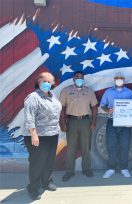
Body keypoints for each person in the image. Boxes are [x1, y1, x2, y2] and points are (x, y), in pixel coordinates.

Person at [23, 72, 62, 200]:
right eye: (44, 81)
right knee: (37, 162)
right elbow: (29, 117)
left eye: (50, 82)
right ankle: (33, 188)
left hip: (52, 134)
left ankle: (46, 182)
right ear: (38, 82)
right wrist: (34, 134)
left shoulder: (53, 96)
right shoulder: (33, 97)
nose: (47, 84)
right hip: (37, 136)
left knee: (49, 161)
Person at [60, 71, 98, 182]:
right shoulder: (66, 91)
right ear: (73, 79)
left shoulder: (89, 91)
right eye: (77, 77)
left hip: (85, 121)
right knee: (71, 148)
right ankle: (69, 171)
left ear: (84, 79)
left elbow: (94, 107)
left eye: (81, 77)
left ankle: (86, 169)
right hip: (71, 121)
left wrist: (93, 122)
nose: (79, 79)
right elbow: (61, 108)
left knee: (85, 147)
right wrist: (62, 122)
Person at [100, 72, 132, 178]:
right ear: (114, 80)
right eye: (117, 78)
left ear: (124, 79)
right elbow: (103, 105)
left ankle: (124, 167)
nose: (119, 80)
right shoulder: (108, 92)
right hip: (112, 121)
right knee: (111, 145)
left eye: (121, 78)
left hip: (125, 123)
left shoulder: (129, 92)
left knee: (125, 145)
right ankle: (111, 168)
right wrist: (108, 110)